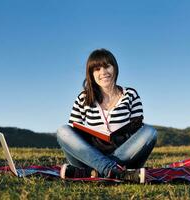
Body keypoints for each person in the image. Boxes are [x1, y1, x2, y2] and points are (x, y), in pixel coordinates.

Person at [56, 48, 157, 182]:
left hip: (123, 154)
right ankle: (114, 171)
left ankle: (93, 173)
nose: (103, 72)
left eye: (107, 66)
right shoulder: (83, 98)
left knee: (150, 131)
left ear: (114, 68)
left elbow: (138, 130)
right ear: (91, 74)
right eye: (97, 69)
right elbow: (73, 136)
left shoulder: (130, 95)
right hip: (89, 157)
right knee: (63, 131)